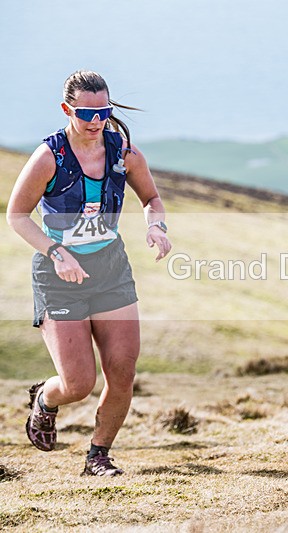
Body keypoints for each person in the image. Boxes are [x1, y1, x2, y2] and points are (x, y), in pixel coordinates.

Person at [6, 70, 171, 476]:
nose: (96, 121)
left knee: (123, 370)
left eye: (104, 112)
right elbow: (16, 215)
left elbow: (151, 197)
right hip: (60, 275)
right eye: (85, 113)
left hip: (110, 269)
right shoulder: (50, 157)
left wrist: (156, 225)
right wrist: (56, 252)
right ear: (67, 110)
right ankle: (46, 399)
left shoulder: (124, 151)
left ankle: (98, 456)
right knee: (78, 384)